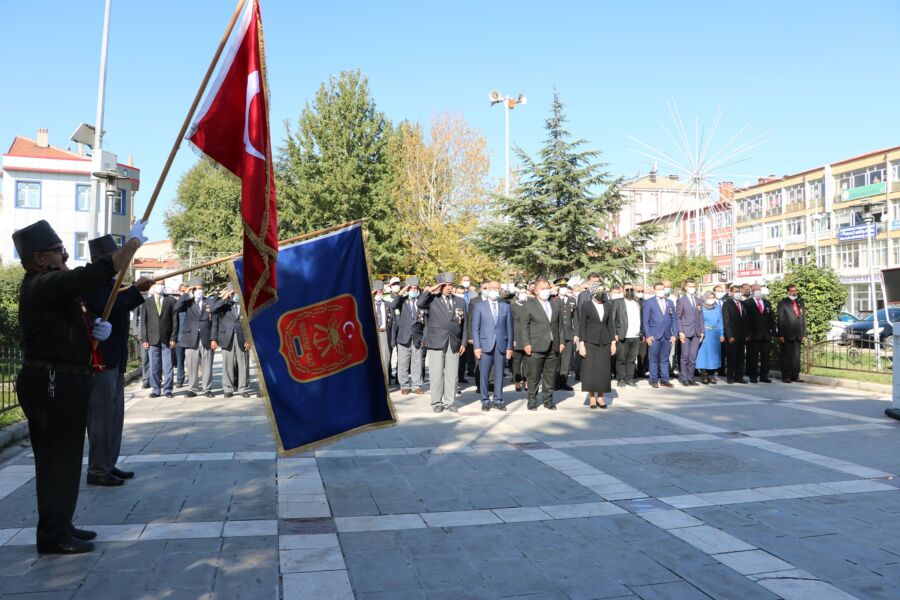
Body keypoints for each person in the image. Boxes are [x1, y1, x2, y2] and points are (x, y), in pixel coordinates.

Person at [13, 218, 148, 554]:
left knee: (67, 458)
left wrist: (93, 327)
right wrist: (130, 245)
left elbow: (74, 320)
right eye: (59, 250)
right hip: (52, 382)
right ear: (40, 258)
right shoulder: (42, 283)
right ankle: (53, 535)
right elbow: (90, 275)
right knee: (58, 460)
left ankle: (61, 524)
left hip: (62, 380)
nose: (65, 256)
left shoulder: (50, 284)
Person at [83, 235, 151, 487]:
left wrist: (134, 290)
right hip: (101, 362)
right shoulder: (93, 285)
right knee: (101, 419)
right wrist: (137, 291)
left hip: (116, 359)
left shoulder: (114, 283)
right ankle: (98, 468)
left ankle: (109, 463)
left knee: (114, 416)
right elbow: (106, 306)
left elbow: (119, 302)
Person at [418, 273, 466, 413]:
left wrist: (463, 341)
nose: (448, 288)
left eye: (450, 285)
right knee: (436, 373)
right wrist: (432, 290)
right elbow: (420, 303)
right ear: (439, 286)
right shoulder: (432, 299)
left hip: (454, 341)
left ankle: (450, 402)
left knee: (452, 374)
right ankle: (437, 402)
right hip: (436, 341)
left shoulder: (460, 301)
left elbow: (464, 324)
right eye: (444, 285)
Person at [520, 278, 565, 410]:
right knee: (533, 376)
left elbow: (560, 325)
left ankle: (548, 400)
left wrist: (561, 341)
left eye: (547, 288)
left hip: (553, 345)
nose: (546, 291)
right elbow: (524, 326)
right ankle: (532, 401)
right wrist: (526, 344)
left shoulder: (555, 304)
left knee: (550, 375)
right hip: (535, 345)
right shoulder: (529, 305)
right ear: (535, 291)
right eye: (543, 288)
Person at [471, 280, 514, 411]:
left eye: (497, 288)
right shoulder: (479, 306)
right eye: (492, 288)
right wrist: (477, 346)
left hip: (501, 344)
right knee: (484, 373)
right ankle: (485, 400)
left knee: (499, 374)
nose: (495, 290)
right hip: (485, 344)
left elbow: (510, 328)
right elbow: (475, 328)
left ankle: (498, 399)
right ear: (487, 289)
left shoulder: (505, 306)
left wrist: (509, 347)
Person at [175, 277, 216, 397]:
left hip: (206, 337)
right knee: (191, 364)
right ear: (192, 290)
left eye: (201, 288)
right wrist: (186, 294)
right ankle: (192, 389)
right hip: (190, 337)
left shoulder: (209, 301)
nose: (199, 291)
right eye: (196, 289)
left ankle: (207, 389)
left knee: (207, 363)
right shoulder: (187, 302)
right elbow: (176, 308)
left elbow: (214, 322)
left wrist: (214, 338)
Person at [578, 284, 616, 408]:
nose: (601, 292)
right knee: (590, 370)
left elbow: (611, 324)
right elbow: (582, 325)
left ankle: (600, 396)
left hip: (605, 341)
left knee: (603, 370)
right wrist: (581, 344)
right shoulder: (586, 305)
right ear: (593, 291)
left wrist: (613, 343)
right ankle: (592, 397)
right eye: (599, 290)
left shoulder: (608, 305)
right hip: (590, 341)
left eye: (603, 290)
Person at [211, 286, 252, 398]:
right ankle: (228, 389)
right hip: (226, 337)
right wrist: (224, 298)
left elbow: (251, 322)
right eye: (234, 291)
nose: (236, 293)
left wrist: (249, 340)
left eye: (238, 290)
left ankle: (242, 388)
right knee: (227, 364)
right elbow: (213, 309)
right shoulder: (224, 304)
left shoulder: (246, 303)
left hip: (242, 337)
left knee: (243, 363)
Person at [139, 280, 177, 399]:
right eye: (158, 284)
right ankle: (155, 389)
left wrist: (173, 337)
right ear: (153, 286)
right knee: (154, 366)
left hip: (167, 339)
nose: (160, 286)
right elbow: (143, 322)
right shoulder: (146, 302)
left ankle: (168, 389)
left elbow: (175, 321)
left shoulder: (171, 300)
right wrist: (144, 339)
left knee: (168, 366)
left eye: (162, 284)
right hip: (152, 338)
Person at [391, 277, 426, 395]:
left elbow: (426, 320)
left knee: (417, 362)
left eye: (415, 288)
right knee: (403, 362)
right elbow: (393, 305)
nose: (413, 290)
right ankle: (404, 385)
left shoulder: (421, 301)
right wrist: (402, 291)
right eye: (411, 288)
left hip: (417, 336)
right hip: (404, 336)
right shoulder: (403, 300)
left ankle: (416, 385)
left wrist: (424, 337)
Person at [642, 282, 676, 388]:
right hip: (654, 335)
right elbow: (645, 321)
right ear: (654, 290)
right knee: (654, 359)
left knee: (665, 359)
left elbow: (674, 319)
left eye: (663, 288)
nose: (661, 290)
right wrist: (647, 335)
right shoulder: (649, 302)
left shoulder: (669, 302)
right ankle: (653, 379)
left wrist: (674, 334)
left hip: (667, 335)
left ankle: (665, 380)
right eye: (659, 289)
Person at [675, 278, 704, 386]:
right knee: (685, 356)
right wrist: (680, 332)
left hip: (696, 332)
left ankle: (691, 378)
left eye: (694, 286)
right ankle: (685, 378)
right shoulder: (681, 300)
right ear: (686, 288)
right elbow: (678, 317)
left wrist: (702, 331)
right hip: (685, 332)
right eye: (690, 287)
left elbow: (701, 316)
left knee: (693, 357)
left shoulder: (698, 300)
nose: (693, 288)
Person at [612, 282, 641, 387]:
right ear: (623, 291)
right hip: (623, 334)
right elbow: (612, 319)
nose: (629, 291)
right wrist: (615, 333)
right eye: (627, 289)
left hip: (636, 335)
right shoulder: (617, 302)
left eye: (631, 289)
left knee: (632, 359)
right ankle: (621, 379)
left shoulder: (637, 302)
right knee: (621, 358)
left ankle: (629, 378)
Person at [744, 283, 774, 383]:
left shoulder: (766, 302)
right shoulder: (747, 303)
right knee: (753, 357)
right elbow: (745, 319)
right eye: (755, 289)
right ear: (751, 291)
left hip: (766, 335)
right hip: (753, 335)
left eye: (759, 289)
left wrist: (773, 332)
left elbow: (771, 318)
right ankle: (753, 376)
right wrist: (747, 334)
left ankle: (764, 376)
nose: (758, 291)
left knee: (766, 357)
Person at [777, 284, 807, 383]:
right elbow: (780, 320)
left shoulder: (800, 302)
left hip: (798, 334)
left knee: (796, 357)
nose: (794, 292)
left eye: (795, 291)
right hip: (786, 334)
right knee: (787, 356)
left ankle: (796, 375)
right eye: (792, 291)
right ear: (788, 292)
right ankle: (786, 376)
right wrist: (780, 334)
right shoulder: (783, 303)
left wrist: (804, 334)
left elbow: (803, 319)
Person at [722, 284, 749, 384]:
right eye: (736, 291)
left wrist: (746, 334)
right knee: (732, 357)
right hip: (732, 336)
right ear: (731, 292)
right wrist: (729, 335)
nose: (738, 293)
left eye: (739, 291)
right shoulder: (727, 304)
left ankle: (739, 376)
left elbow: (746, 320)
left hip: (742, 335)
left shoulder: (742, 304)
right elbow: (726, 320)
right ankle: (730, 377)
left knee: (741, 358)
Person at [695, 291, 724, 384]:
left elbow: (720, 321)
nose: (711, 299)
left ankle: (711, 375)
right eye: (709, 297)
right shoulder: (701, 308)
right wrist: (701, 331)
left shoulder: (717, 307)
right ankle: (704, 374)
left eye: (713, 297)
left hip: (715, 333)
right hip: (705, 333)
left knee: (714, 355)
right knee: (704, 355)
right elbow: (699, 321)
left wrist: (721, 334)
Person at [555, 278, 576, 390]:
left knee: (566, 360)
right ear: (557, 288)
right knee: (556, 359)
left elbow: (575, 318)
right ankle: (555, 382)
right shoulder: (553, 300)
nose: (563, 288)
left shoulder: (572, 300)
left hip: (568, 334)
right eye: (561, 286)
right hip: (557, 334)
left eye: (565, 286)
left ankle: (563, 382)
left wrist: (576, 333)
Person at [371, 280, 393, 383]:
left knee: (385, 358)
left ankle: (385, 382)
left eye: (381, 292)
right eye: (377, 292)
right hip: (372, 334)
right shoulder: (368, 305)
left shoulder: (386, 304)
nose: (379, 294)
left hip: (384, 333)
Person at [510, 284, 531, 391]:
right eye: (521, 292)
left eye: (525, 292)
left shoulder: (530, 305)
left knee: (527, 361)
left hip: (528, 337)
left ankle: (526, 381)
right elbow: (510, 324)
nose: (523, 294)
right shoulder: (512, 307)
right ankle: (517, 382)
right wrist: (512, 339)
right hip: (517, 337)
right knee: (516, 361)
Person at [174, 283, 188, 387]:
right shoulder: (177, 303)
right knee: (180, 360)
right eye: (182, 291)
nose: (184, 293)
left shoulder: (191, 302)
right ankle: (180, 379)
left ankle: (192, 379)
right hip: (179, 336)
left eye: (186, 290)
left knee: (192, 360)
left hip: (191, 336)